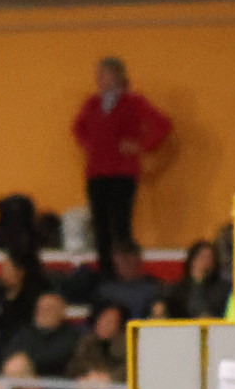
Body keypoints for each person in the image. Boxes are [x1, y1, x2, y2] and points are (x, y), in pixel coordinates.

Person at [71, 57, 170, 270]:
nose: (98, 78)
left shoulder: (133, 102)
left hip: (123, 172)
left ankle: (124, 271)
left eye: (103, 74)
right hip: (96, 172)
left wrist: (141, 146)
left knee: (120, 224)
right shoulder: (92, 103)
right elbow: (77, 128)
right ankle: (105, 270)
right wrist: (90, 146)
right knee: (100, 225)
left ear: (117, 76)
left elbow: (162, 125)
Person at [5, 291, 82, 379]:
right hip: (23, 378)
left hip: (55, 382)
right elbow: (10, 354)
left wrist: (28, 360)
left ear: (61, 312)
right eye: (40, 308)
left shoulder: (71, 336)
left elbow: (55, 360)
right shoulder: (24, 332)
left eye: (49, 308)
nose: (43, 312)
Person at [93, 240, 165, 327]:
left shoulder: (154, 287)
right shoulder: (105, 290)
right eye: (122, 259)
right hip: (116, 332)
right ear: (115, 262)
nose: (127, 263)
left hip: (146, 329)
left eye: (130, 257)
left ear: (138, 259)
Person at [162, 236, 228, 322]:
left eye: (210, 257)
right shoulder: (176, 289)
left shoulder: (222, 289)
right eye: (202, 257)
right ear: (192, 260)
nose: (206, 261)